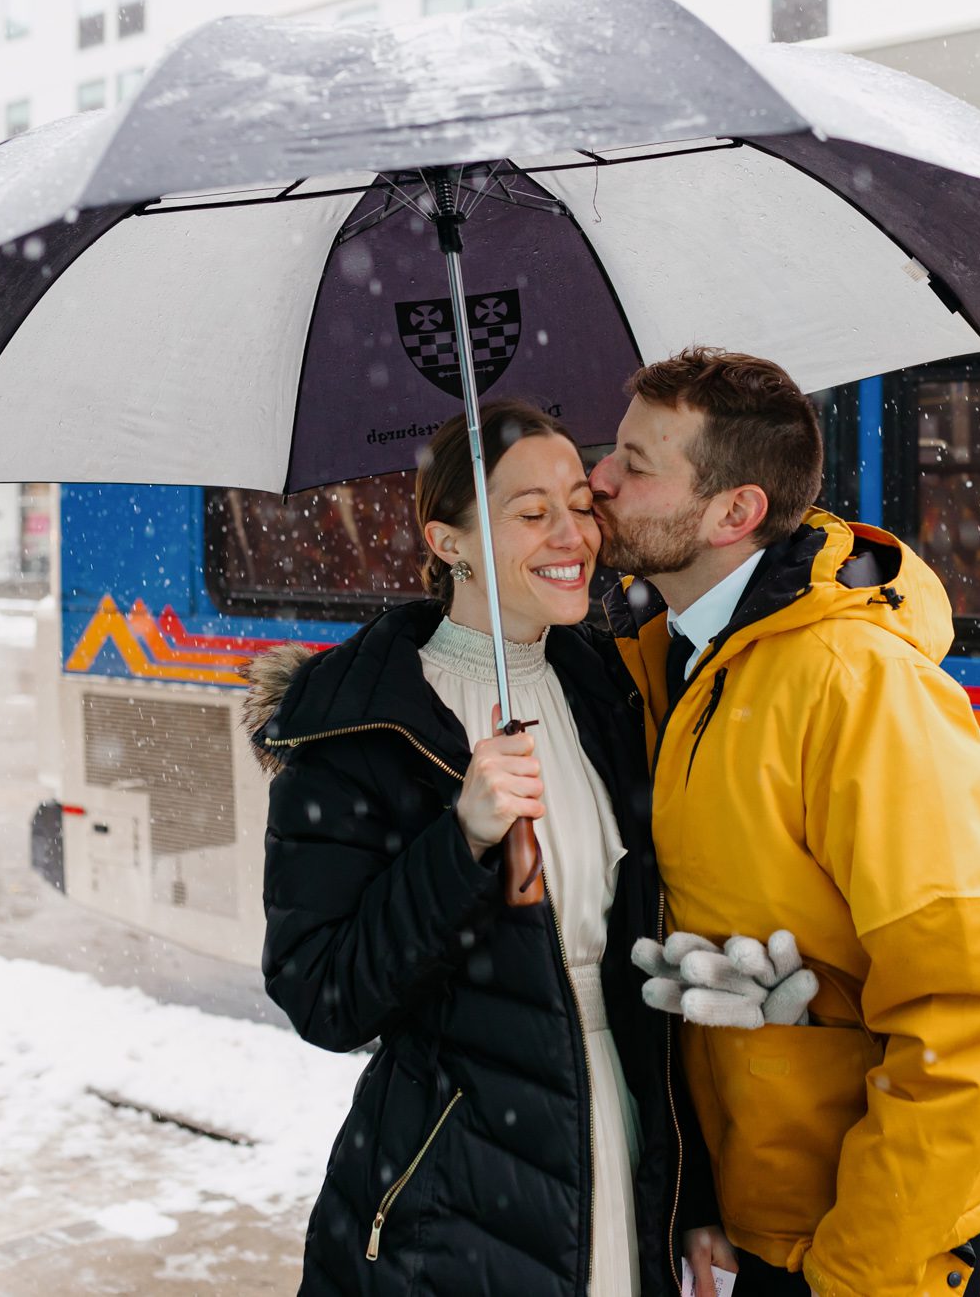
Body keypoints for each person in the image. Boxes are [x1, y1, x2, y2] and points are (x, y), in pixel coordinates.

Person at [243, 400, 724, 1297]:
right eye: (530, 511)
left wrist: (687, 1191)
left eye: (581, 503)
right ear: (449, 540)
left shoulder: (610, 689)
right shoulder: (357, 724)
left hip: (618, 1146)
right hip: (456, 1196)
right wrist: (458, 839)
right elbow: (323, 992)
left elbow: (638, 977)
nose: (572, 532)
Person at [588, 349, 980, 1297]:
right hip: (742, 1220)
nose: (601, 479)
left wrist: (860, 1273)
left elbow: (964, 1013)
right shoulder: (661, 654)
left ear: (734, 512)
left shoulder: (858, 685)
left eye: (636, 462)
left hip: (840, 1249)